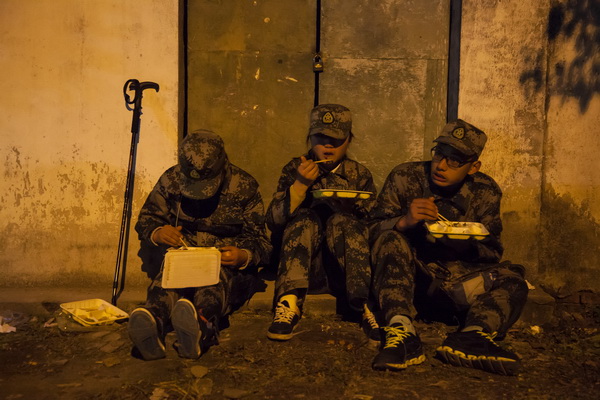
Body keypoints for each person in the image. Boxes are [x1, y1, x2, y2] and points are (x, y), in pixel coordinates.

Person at [369, 119, 528, 375]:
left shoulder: (485, 191)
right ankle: (401, 331)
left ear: (473, 167)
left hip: (456, 284)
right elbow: (369, 233)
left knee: (514, 279)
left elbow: (493, 252)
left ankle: (472, 336)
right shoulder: (405, 177)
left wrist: (464, 246)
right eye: (439, 154)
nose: (441, 165)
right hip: (412, 282)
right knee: (391, 239)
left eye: (455, 160)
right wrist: (404, 222)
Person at [128, 129, 272, 361]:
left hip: (225, 266)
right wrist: (158, 232)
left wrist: (243, 256)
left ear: (222, 164)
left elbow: (261, 242)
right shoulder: (171, 180)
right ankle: (153, 319)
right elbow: (147, 218)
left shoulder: (244, 186)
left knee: (212, 286)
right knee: (166, 281)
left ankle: (201, 326)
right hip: (184, 258)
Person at [265, 104, 378, 341]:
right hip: (306, 269)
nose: (328, 146)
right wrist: (300, 185)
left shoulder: (358, 174)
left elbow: (374, 226)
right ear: (310, 137)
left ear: (349, 140)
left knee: (341, 221)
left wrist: (350, 210)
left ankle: (366, 304)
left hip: (344, 271)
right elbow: (274, 221)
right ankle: (289, 302)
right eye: (321, 138)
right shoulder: (295, 169)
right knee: (305, 218)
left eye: (336, 140)